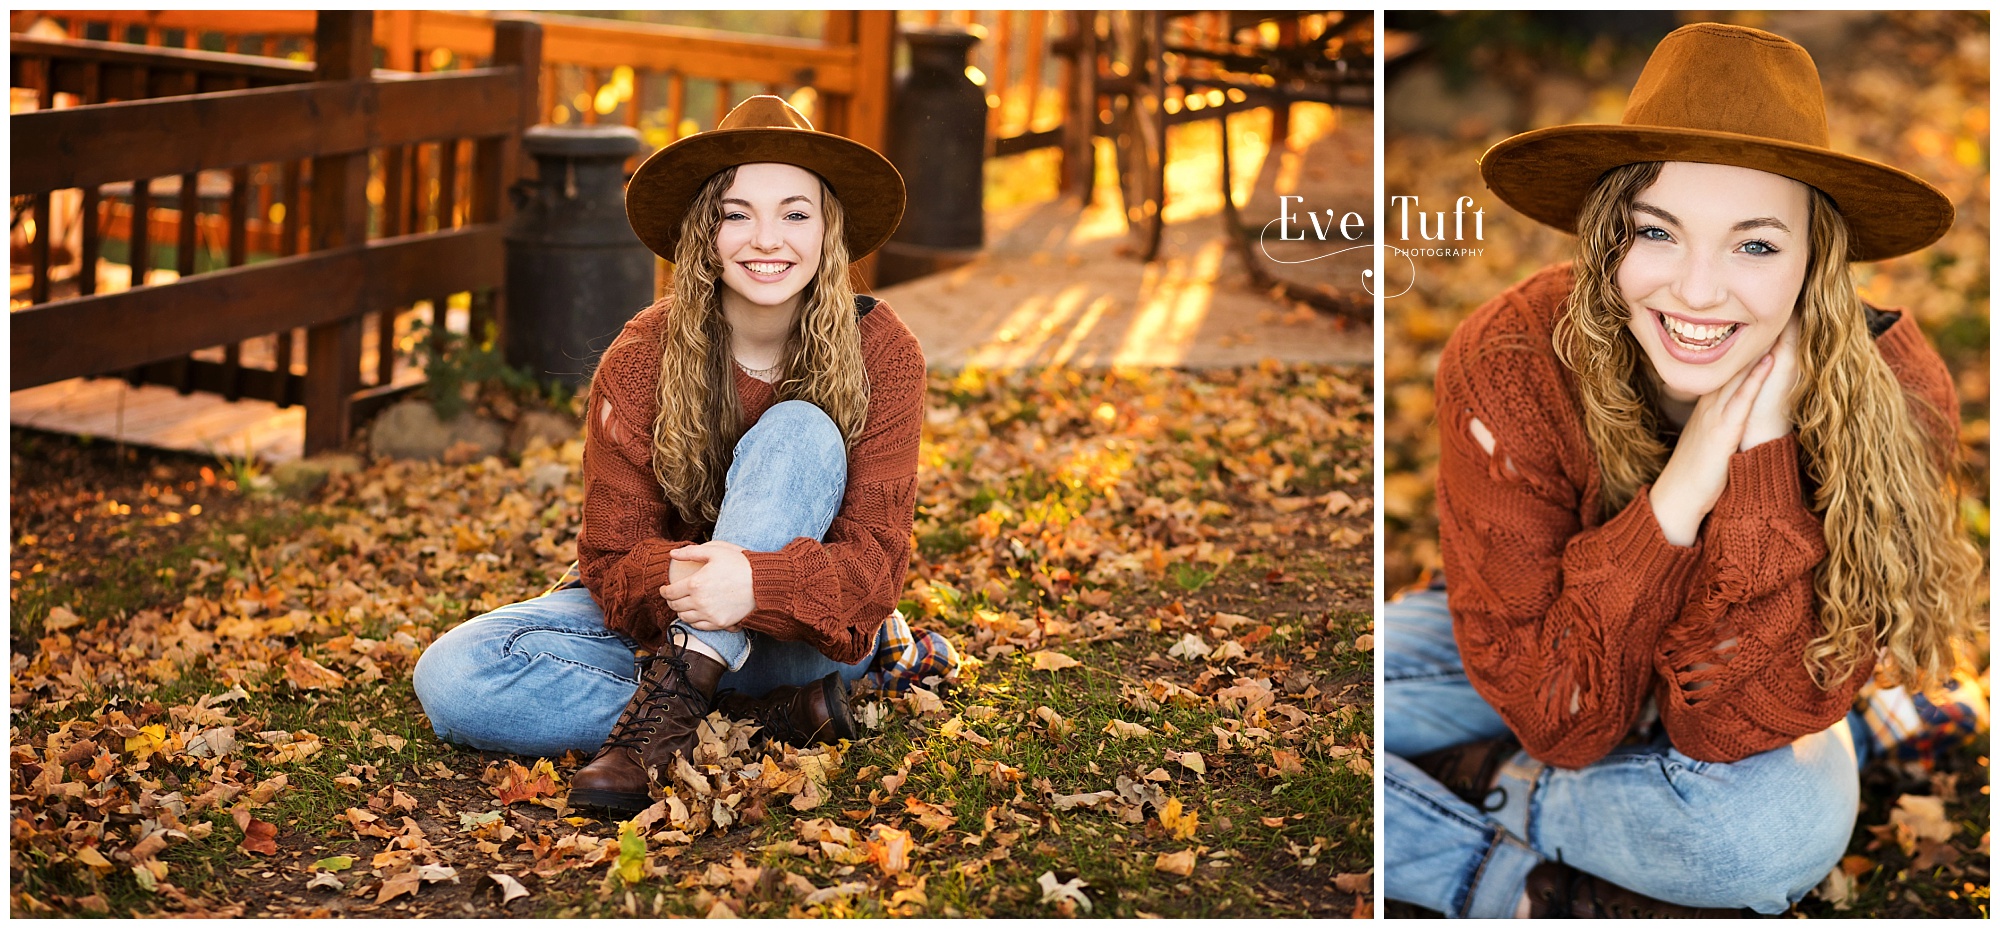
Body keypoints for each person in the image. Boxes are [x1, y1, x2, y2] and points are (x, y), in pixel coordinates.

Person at [1383, 24, 1983, 917]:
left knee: (1763, 836)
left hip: (1757, 679)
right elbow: (1562, 717)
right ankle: (1528, 870)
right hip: (1545, 630)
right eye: (1656, 232)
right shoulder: (1510, 358)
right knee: (1324, 694)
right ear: (1605, 238)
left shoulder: (1897, 391)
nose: (1698, 292)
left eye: (1755, 245)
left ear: (1816, 262)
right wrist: (1681, 491)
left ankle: (1499, 794)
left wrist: (1763, 454)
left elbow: (1716, 726)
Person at [413, 96, 951, 817]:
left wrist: (755, 582)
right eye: (737, 213)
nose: (768, 239)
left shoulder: (883, 353)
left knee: (801, 429)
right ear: (706, 229)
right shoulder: (642, 356)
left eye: (795, 213)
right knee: (453, 674)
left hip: (798, 632)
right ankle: (765, 717)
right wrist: (707, 581)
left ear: (829, 230)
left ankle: (662, 723)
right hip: (655, 627)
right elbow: (608, 562)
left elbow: (872, 574)